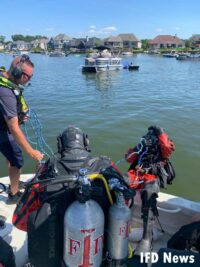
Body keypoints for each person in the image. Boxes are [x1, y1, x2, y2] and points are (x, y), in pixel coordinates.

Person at [13, 125, 132, 267]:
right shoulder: (106, 166)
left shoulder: (47, 172)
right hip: (100, 253)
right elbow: (126, 200)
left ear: (60, 144)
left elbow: (18, 220)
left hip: (57, 255)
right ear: (86, 143)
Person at [125, 125, 175, 255]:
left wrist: (161, 132)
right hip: (136, 175)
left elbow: (168, 147)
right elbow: (128, 158)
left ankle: (146, 239)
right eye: (148, 137)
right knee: (121, 184)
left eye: (152, 137)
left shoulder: (163, 150)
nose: (149, 139)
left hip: (151, 176)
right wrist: (139, 146)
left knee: (149, 193)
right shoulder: (141, 148)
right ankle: (119, 225)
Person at [0, 55, 43, 204]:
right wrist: (32, 152)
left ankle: (14, 182)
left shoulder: (4, 77)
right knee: (17, 160)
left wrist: (19, 115)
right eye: (28, 76)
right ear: (19, 73)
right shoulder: (5, 92)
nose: (29, 80)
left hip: (4, 126)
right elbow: (13, 127)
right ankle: (14, 194)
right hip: (3, 130)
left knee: (11, 156)